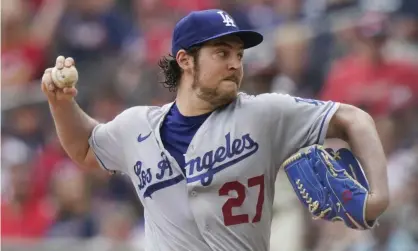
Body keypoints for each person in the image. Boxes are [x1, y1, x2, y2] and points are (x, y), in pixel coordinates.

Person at [41, 9, 389, 251]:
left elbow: (354, 119)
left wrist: (378, 198)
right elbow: (86, 147)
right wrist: (61, 103)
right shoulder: (136, 126)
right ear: (185, 60)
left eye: (238, 54)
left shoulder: (264, 113)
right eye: (221, 53)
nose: (235, 63)